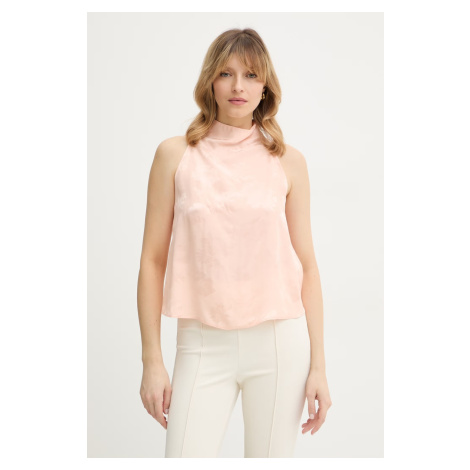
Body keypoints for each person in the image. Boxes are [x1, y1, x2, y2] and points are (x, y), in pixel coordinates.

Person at [137, 27, 332, 458]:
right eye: (226, 73)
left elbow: (307, 266)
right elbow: (152, 261)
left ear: (266, 87)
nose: (238, 86)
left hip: (279, 343)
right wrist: (152, 360)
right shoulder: (175, 155)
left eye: (251, 75)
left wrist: (319, 364)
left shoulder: (289, 162)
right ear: (210, 81)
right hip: (201, 342)